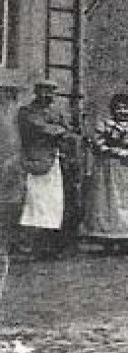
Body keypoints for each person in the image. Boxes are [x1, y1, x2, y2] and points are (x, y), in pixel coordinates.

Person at [81, 93, 128, 254]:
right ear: (113, 110)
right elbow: (98, 146)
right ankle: (108, 240)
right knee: (110, 201)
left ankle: (127, 239)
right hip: (110, 169)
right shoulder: (105, 125)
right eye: (119, 108)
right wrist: (117, 152)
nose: (122, 112)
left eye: (125, 108)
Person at [16, 79, 76, 259]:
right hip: (35, 161)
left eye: (52, 92)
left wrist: (60, 131)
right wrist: (59, 131)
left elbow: (68, 131)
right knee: (34, 203)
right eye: (44, 91)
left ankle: (48, 246)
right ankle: (27, 247)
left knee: (53, 204)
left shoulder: (56, 112)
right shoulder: (27, 112)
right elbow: (41, 129)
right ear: (36, 92)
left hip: (54, 162)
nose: (48, 96)